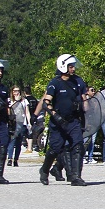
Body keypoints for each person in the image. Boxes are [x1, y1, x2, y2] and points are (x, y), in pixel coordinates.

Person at [40, 54, 89, 186]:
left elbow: (85, 100)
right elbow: (46, 103)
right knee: (55, 149)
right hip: (58, 122)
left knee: (78, 146)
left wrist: (85, 107)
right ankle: (44, 170)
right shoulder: (55, 83)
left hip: (74, 121)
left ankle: (75, 177)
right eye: (70, 66)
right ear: (63, 66)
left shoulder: (79, 81)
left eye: (73, 66)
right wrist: (55, 115)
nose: (73, 69)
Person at [6, 86, 31, 167]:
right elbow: (8, 110)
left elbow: (27, 112)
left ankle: (16, 159)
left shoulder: (24, 101)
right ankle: (10, 158)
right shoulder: (9, 101)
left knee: (19, 142)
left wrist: (29, 122)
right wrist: (16, 101)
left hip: (22, 123)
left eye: (18, 91)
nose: (16, 92)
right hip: (13, 123)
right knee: (12, 141)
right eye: (14, 91)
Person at [82, 86, 98, 164]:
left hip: (94, 122)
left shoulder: (94, 101)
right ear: (87, 92)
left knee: (93, 141)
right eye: (92, 90)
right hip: (86, 123)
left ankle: (90, 157)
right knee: (85, 140)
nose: (93, 92)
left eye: (94, 90)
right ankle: (83, 156)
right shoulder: (85, 101)